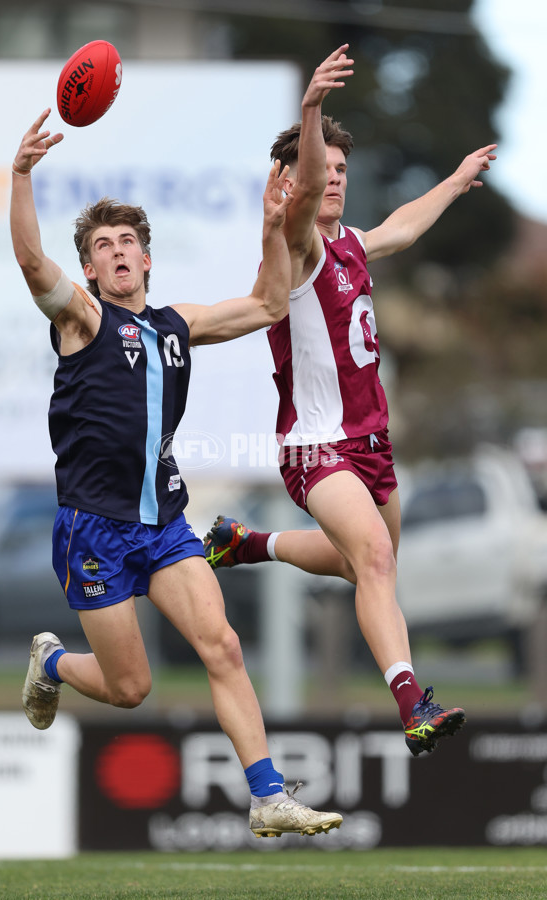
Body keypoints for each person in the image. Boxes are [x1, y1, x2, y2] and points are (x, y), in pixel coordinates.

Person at [12, 108, 344, 838]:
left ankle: (266, 795)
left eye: (129, 241)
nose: (119, 252)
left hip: (163, 522)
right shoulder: (83, 322)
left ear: (148, 259)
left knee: (223, 645)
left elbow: (264, 303)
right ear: (92, 270)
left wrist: (272, 226)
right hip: (94, 529)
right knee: (131, 688)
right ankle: (56, 661)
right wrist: (21, 175)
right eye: (104, 246)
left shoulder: (173, 325)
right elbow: (35, 264)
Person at [204, 44, 498, 757]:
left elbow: (399, 227)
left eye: (340, 170)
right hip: (317, 447)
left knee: (366, 562)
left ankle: (247, 543)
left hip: (373, 445)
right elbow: (299, 206)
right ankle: (412, 702)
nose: (332, 180)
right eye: (321, 169)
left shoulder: (350, 245)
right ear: (292, 179)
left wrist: (455, 181)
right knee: (372, 560)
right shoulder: (295, 244)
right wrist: (308, 109)